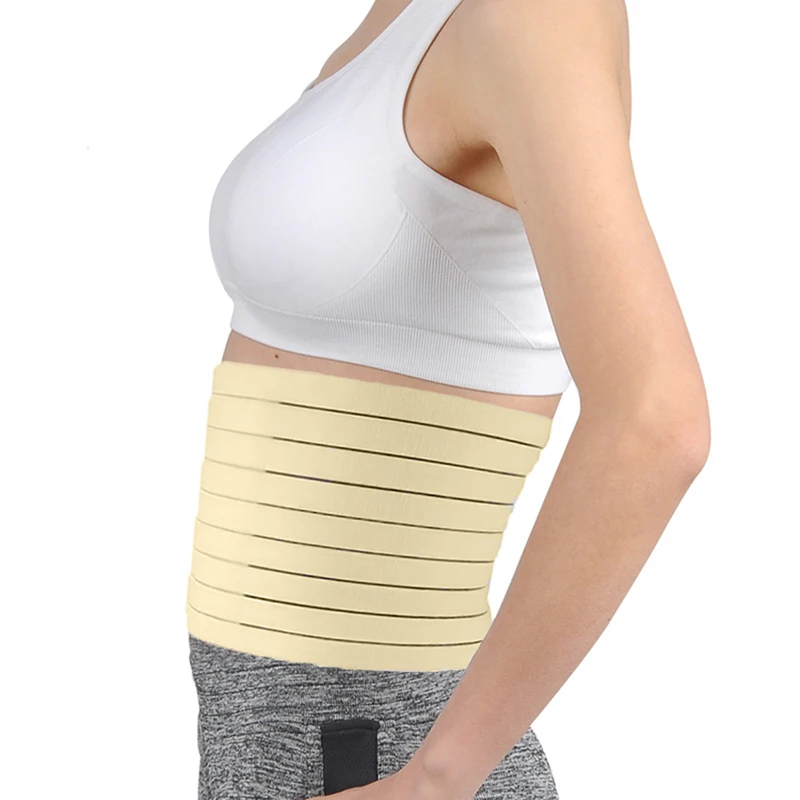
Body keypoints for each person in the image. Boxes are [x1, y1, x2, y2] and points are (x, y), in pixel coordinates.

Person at [185, 0, 711, 797]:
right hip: (281, 733)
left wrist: (435, 779)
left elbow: (657, 421)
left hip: (368, 747)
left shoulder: (534, 17)